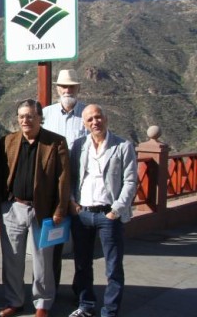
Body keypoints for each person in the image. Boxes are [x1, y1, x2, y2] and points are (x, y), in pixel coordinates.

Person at [0, 99, 71, 317]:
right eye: (21, 116)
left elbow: (63, 178)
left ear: (40, 117)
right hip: (13, 207)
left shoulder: (56, 142)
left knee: (42, 261)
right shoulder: (8, 141)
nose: (25, 120)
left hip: (43, 210)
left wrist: (60, 209)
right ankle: (15, 301)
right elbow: (1, 173)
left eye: (30, 116)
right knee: (12, 260)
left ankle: (42, 304)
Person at [68, 105, 137, 317]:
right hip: (83, 213)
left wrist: (116, 210)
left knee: (113, 267)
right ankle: (86, 305)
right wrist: (73, 203)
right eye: (90, 119)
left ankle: (110, 311)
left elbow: (131, 181)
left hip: (109, 214)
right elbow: (71, 177)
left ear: (106, 119)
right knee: (82, 263)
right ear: (84, 123)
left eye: (98, 117)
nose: (95, 122)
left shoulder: (123, 145)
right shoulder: (79, 145)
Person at [42, 69, 89, 290]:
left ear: (78, 88)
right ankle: (51, 289)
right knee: (54, 244)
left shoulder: (87, 115)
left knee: (82, 245)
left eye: (71, 86)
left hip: (81, 191)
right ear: (58, 88)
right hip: (54, 190)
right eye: (63, 86)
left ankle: (81, 290)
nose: (67, 90)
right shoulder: (46, 114)